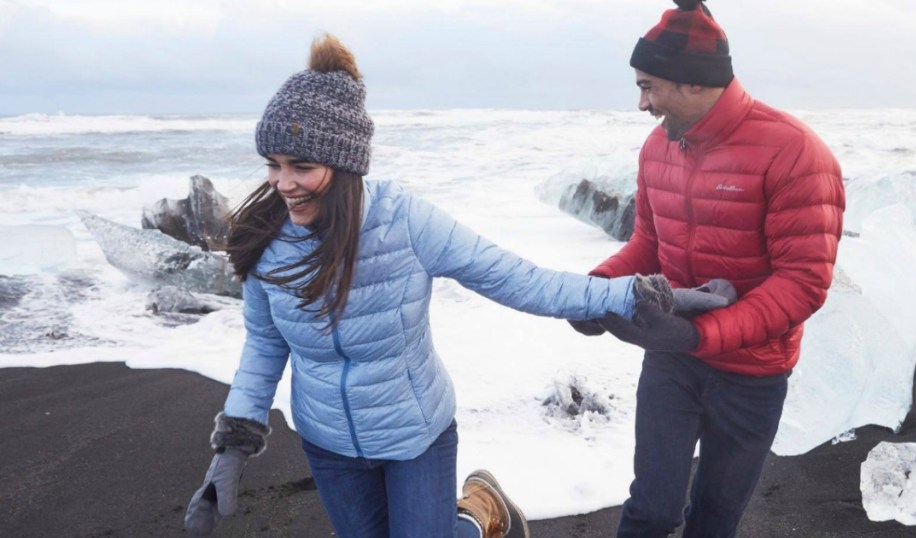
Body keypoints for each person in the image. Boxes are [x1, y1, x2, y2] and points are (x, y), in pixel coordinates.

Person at [182, 33, 678, 538]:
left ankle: (476, 511)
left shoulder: (406, 223)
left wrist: (631, 293)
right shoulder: (267, 239)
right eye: (274, 165)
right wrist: (234, 443)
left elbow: (520, 280)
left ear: (346, 164)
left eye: (301, 167)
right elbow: (266, 342)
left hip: (414, 434)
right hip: (327, 439)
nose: (282, 183)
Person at [568, 1, 846, 536]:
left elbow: (803, 284)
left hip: (753, 372)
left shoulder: (794, 153)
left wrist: (697, 334)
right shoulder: (657, 148)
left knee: (714, 520)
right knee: (650, 509)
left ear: (694, 84)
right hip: (673, 362)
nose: (642, 104)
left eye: (649, 87)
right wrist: (598, 287)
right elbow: (649, 242)